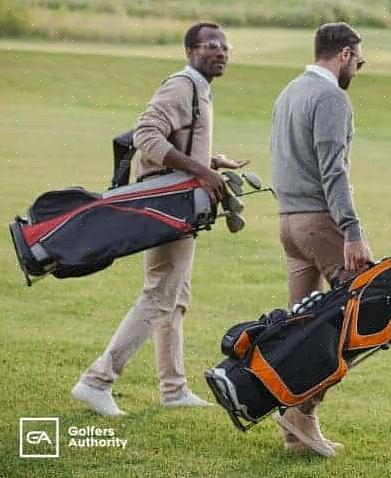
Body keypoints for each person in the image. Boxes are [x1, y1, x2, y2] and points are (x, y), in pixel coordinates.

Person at [72, 22, 247, 417]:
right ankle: (97, 380)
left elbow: (176, 142)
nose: (220, 52)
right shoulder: (180, 87)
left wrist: (211, 162)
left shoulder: (199, 89)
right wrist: (202, 173)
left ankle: (174, 388)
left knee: (174, 297)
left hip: (180, 205)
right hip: (168, 206)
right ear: (190, 51)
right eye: (211, 46)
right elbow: (146, 136)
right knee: (160, 295)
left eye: (225, 47)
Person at [269, 22, 372, 458]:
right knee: (364, 313)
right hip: (321, 224)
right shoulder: (331, 96)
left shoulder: (289, 91)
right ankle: (301, 409)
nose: (359, 69)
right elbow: (334, 170)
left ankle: (297, 431)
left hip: (289, 223)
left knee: (303, 326)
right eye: (360, 61)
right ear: (345, 54)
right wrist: (351, 229)